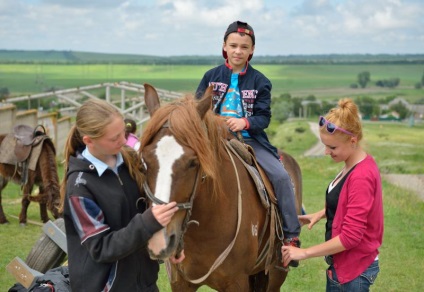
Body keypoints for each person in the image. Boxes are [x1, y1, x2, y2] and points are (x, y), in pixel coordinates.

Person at [195, 20, 301, 267]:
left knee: (282, 177)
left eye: (244, 47)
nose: (238, 51)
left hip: (249, 139)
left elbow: (263, 117)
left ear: (252, 50)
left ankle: (291, 236)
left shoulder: (261, 81)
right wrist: (215, 121)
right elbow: (197, 109)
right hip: (212, 137)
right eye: (233, 45)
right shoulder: (211, 77)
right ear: (224, 46)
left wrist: (244, 122)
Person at [59, 99, 184, 292]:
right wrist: (148, 222)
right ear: (89, 141)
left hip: (144, 284)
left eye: (124, 133)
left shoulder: (131, 162)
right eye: (114, 138)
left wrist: (168, 244)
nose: (124, 141)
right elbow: (101, 248)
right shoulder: (79, 188)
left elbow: (146, 211)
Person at [282, 98, 384, 291]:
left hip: (354, 271)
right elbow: (348, 201)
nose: (326, 152)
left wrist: (303, 253)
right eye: (325, 146)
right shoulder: (352, 165)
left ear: (353, 140)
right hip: (344, 267)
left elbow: (351, 237)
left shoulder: (361, 176)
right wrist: (321, 213)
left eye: (332, 147)